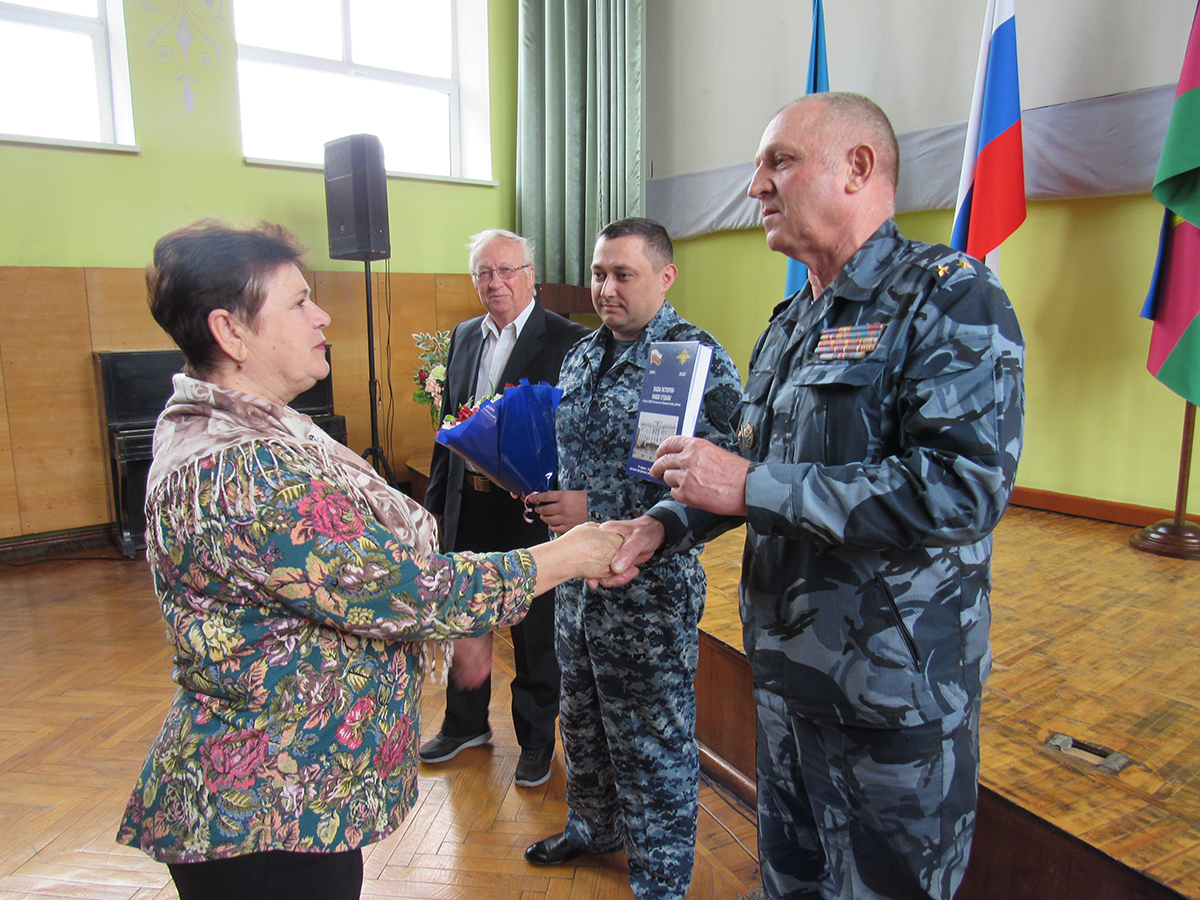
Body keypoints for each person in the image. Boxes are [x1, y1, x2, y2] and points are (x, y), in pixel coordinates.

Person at [115, 220, 622, 900]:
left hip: (284, 795)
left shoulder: (243, 428)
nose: (320, 314)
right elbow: (409, 592)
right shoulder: (245, 469)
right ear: (231, 333)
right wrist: (569, 555)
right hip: (267, 811)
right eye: (297, 302)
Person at [605, 94, 1025, 900]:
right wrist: (666, 523)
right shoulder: (792, 323)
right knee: (789, 885)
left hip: (891, 695)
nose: (755, 183)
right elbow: (756, 469)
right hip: (790, 681)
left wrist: (748, 483)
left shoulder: (948, 298)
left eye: (779, 162)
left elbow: (961, 488)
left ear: (857, 168)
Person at [521, 218, 742, 900]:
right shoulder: (582, 355)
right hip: (577, 583)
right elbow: (576, 458)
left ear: (665, 277)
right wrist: (548, 493)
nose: (605, 288)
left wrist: (596, 507)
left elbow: (713, 488)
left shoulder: (695, 359)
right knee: (580, 717)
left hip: (649, 590)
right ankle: (593, 827)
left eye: (623, 275)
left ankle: (661, 877)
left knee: (651, 743)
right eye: (597, 273)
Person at [419, 228, 590, 787]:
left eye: (506, 270)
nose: (496, 282)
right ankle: (465, 723)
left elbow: (581, 434)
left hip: (532, 511)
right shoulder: (464, 336)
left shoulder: (568, 340)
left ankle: (537, 740)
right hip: (469, 503)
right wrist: (436, 506)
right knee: (467, 613)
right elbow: (451, 427)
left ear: (530, 274)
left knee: (536, 628)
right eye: (484, 273)